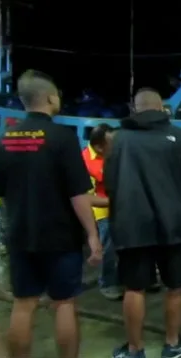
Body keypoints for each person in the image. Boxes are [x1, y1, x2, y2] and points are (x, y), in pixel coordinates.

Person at [0, 69, 102, 358]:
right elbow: (77, 194)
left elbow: (0, 191)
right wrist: (93, 235)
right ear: (51, 97)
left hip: (20, 234)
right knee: (63, 303)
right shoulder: (62, 138)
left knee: (23, 303)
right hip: (60, 236)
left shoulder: (4, 140)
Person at [104, 88, 181, 358]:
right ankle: (172, 343)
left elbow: (110, 182)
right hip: (172, 224)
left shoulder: (119, 139)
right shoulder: (178, 136)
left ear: (135, 108)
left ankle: (135, 350)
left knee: (134, 288)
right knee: (174, 287)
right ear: (161, 108)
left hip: (132, 225)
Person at [82, 124, 122, 300]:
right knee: (108, 248)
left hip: (119, 207)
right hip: (102, 212)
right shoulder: (86, 162)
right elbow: (86, 198)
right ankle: (107, 283)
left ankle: (119, 277)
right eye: (110, 143)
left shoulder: (112, 154)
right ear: (99, 146)